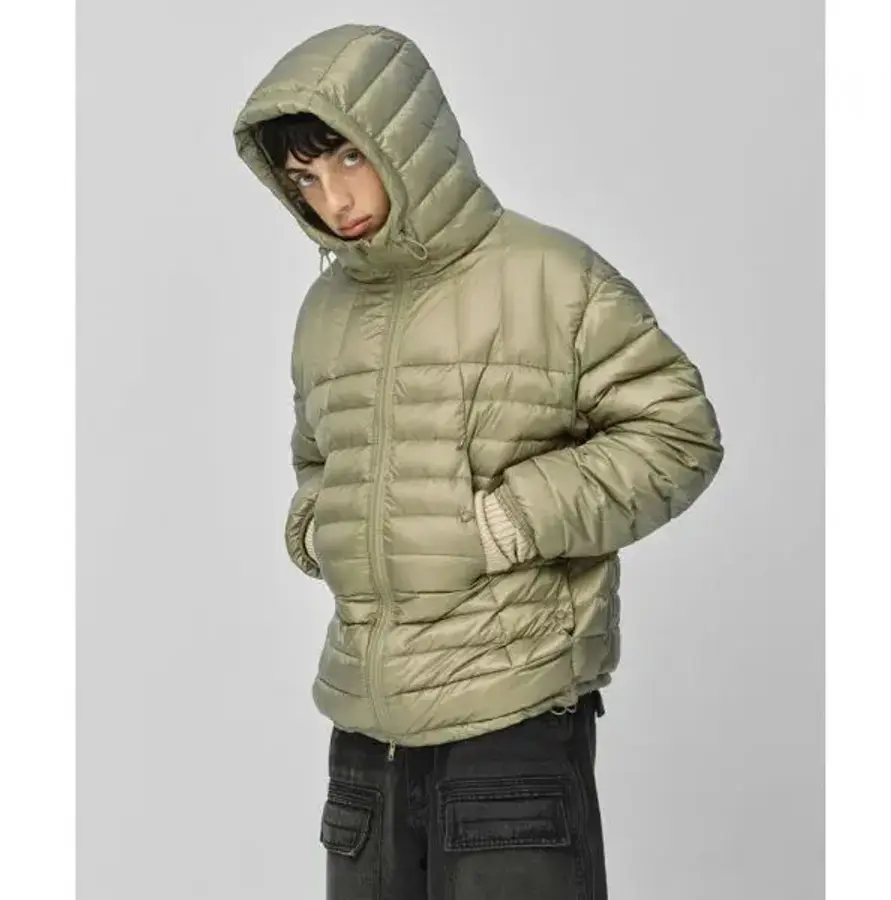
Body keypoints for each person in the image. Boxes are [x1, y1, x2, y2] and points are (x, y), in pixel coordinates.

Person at [233, 23, 724, 900]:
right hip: (364, 734)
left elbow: (678, 435)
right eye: (304, 179)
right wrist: (319, 524)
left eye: (347, 158)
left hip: (512, 722)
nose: (333, 199)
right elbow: (316, 456)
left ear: (405, 137)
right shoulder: (325, 310)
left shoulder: (550, 276)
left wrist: (501, 524)